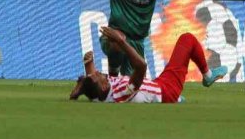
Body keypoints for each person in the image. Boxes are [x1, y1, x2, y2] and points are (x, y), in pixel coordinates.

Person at [71, 26, 227, 103]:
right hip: (167, 90)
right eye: (99, 76)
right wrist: (121, 41)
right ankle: (207, 76)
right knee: (187, 39)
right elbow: (141, 66)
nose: (99, 72)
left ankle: (177, 99)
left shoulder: (99, 94)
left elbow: (91, 81)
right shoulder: (122, 92)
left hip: (157, 85)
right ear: (103, 86)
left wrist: (88, 62)